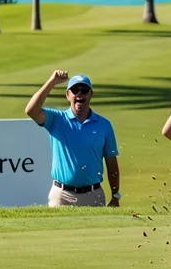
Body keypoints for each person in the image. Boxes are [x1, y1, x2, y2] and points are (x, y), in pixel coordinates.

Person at [24, 71, 121, 207]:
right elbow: (31, 110)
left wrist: (115, 195)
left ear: (90, 94)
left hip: (93, 194)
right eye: (75, 90)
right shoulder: (57, 119)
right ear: (68, 95)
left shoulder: (104, 125)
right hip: (61, 195)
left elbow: (111, 162)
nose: (79, 94)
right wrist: (52, 82)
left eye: (84, 90)